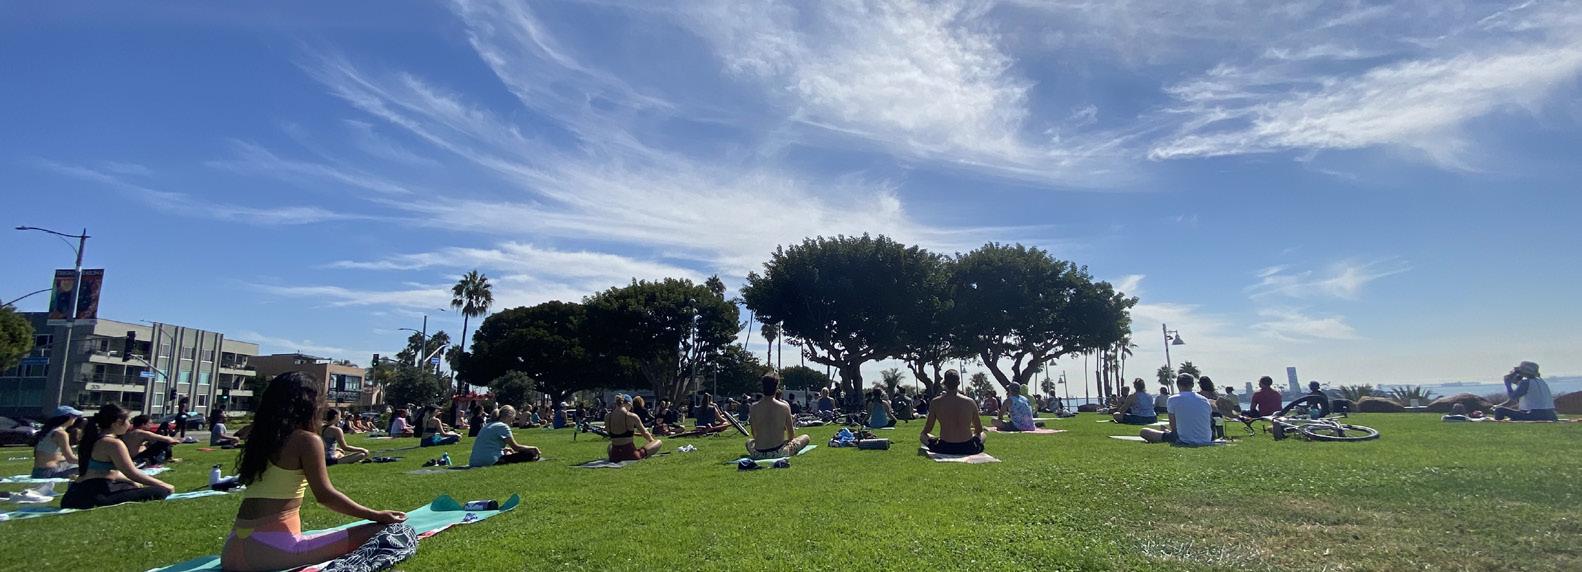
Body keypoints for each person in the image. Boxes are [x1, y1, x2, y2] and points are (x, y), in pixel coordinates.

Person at [221, 372, 411, 571]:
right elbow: (326, 496)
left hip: (233, 550)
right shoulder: (306, 440)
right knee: (392, 531)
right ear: (309, 403)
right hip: (273, 552)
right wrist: (376, 515)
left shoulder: (259, 437)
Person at [60, 403, 174, 509]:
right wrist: (163, 484)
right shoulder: (113, 443)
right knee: (160, 491)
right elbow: (131, 472)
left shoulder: (92, 439)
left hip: (74, 494)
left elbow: (108, 472)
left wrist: (130, 481)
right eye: (128, 421)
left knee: (131, 487)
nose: (130, 424)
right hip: (94, 495)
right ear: (118, 422)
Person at [746, 375, 812, 459]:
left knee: (748, 442)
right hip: (779, 452)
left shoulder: (753, 407)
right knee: (805, 437)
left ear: (762, 388)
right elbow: (791, 435)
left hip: (759, 453)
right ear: (776, 388)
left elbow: (754, 433)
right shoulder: (784, 407)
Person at [920, 370, 986, 455]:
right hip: (967, 447)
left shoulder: (935, 402)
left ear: (944, 383)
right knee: (983, 434)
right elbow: (979, 429)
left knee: (922, 436)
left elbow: (927, 430)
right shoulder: (970, 402)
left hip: (944, 446)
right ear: (958, 383)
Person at [1140, 374, 1215, 446]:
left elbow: (1173, 427)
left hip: (1183, 439)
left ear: (1178, 385)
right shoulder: (1204, 400)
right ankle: (1166, 431)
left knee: (1144, 432)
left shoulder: (1173, 399)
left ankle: (1166, 432)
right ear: (1192, 385)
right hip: (1205, 438)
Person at [468, 405, 541, 467]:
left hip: (474, 461)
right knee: (529, 454)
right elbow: (516, 447)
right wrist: (533, 448)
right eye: (512, 420)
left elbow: (487, 445)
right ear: (509, 416)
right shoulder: (503, 426)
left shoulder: (488, 425)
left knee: (509, 454)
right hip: (490, 461)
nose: (511, 423)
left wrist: (503, 450)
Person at [31, 405, 83, 479]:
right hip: (49, 473)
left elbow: (53, 457)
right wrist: (90, 461)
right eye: (74, 416)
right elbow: (70, 459)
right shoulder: (61, 433)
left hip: (37, 472)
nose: (76, 418)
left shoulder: (48, 431)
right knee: (90, 469)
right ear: (68, 417)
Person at [605, 394, 662, 461]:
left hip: (614, 456)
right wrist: (652, 442)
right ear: (629, 404)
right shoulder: (631, 416)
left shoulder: (607, 416)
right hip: (631, 455)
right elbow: (645, 433)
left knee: (610, 446)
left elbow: (609, 433)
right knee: (658, 442)